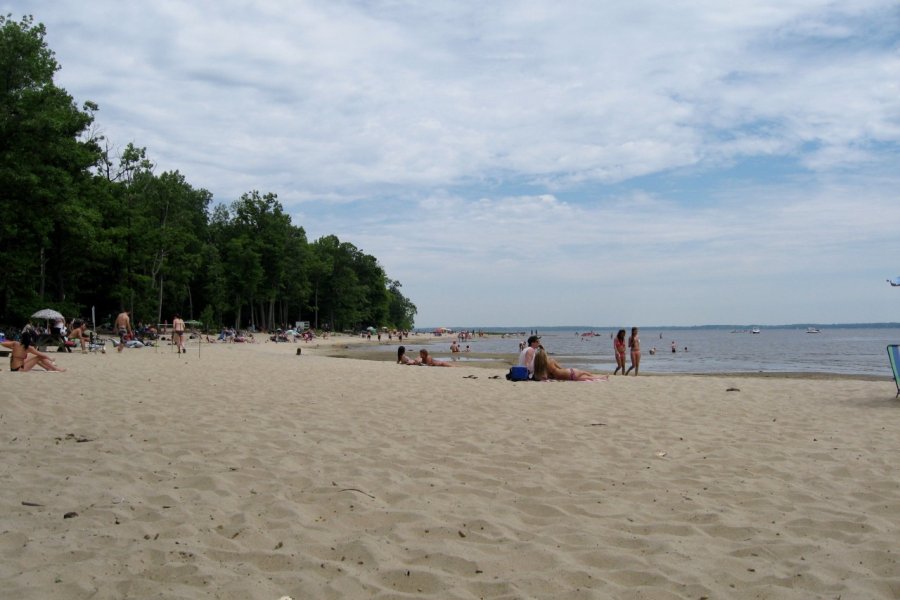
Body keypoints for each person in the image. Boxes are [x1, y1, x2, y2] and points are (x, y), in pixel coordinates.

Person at [532, 348, 604, 381]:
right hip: (570, 372)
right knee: (584, 373)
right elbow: (561, 368)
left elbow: (547, 376)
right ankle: (599, 377)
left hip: (570, 377)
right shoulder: (551, 361)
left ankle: (599, 378)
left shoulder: (543, 368)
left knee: (585, 377)